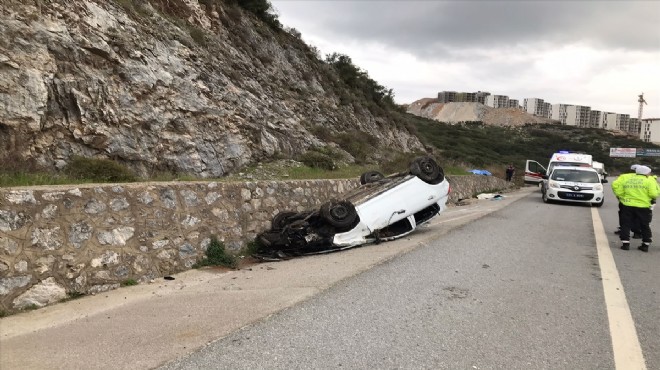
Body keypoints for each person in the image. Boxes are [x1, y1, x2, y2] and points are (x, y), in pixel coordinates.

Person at [612, 165, 658, 252]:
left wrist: (623, 198)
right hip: (643, 206)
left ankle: (625, 244)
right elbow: (653, 194)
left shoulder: (628, 180)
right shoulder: (649, 181)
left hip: (627, 205)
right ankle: (645, 245)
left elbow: (619, 191)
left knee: (626, 224)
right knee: (645, 225)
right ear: (646, 173)